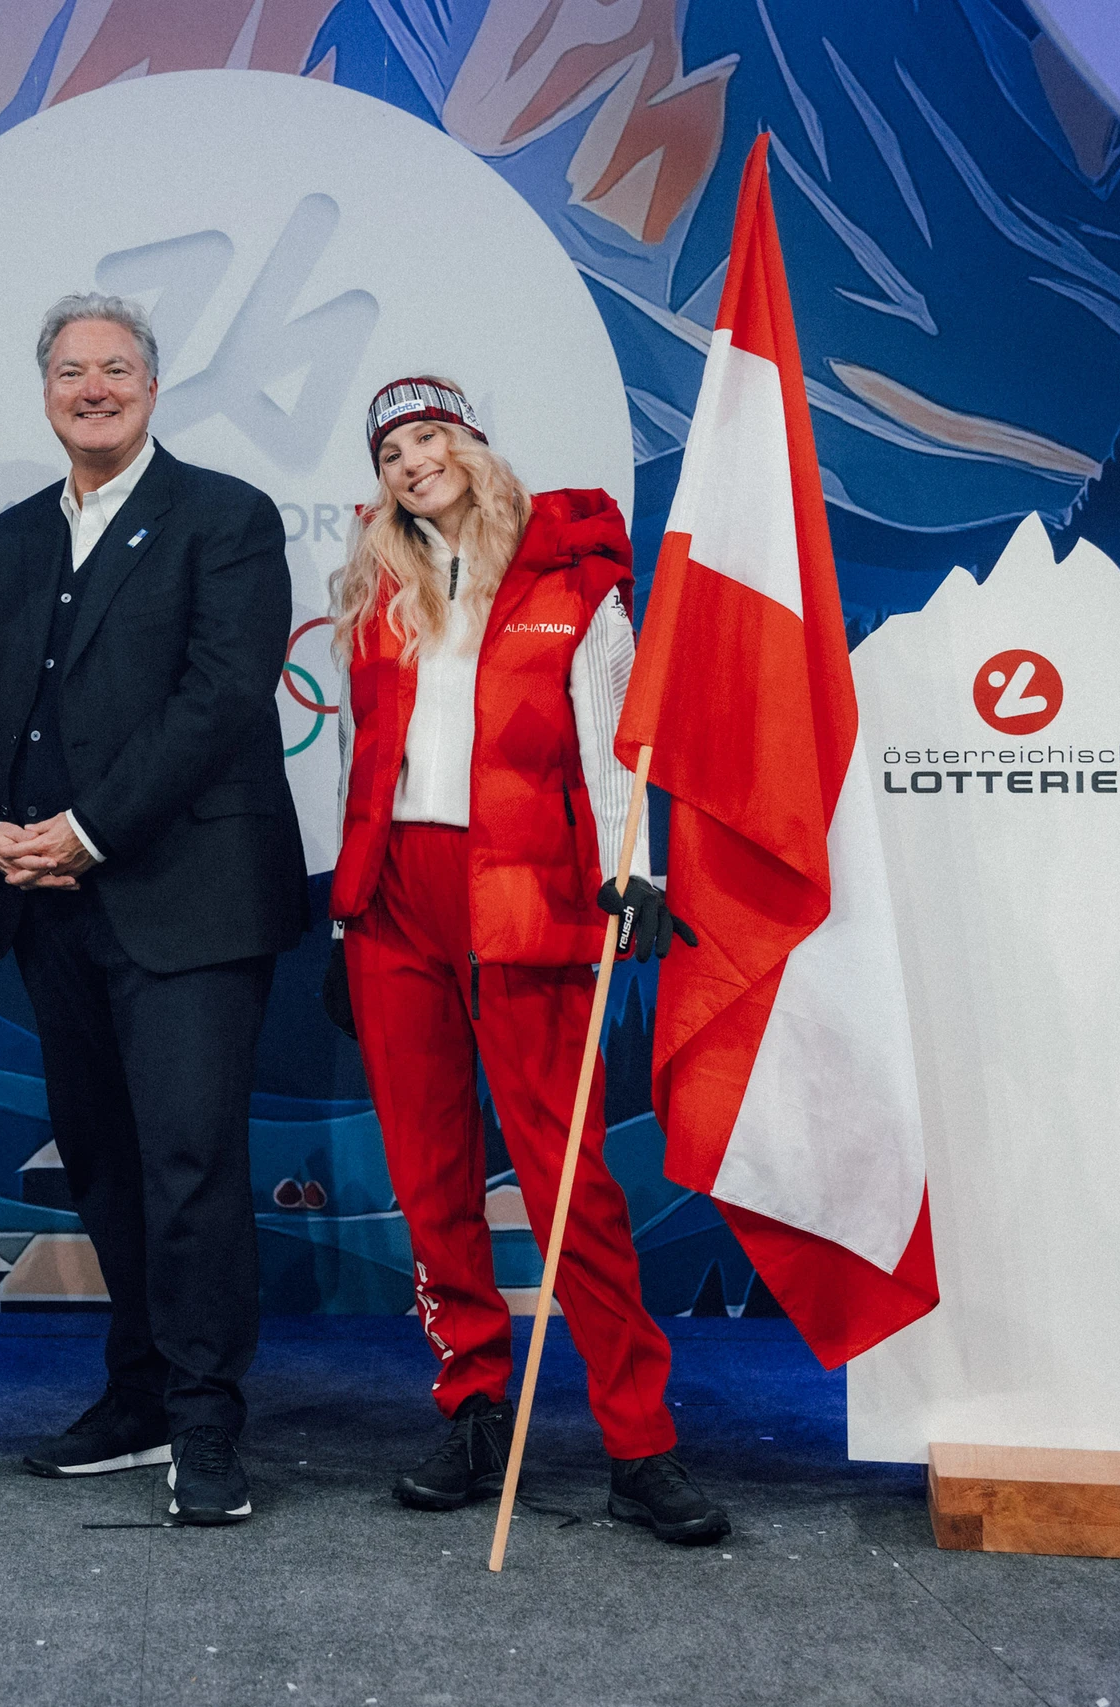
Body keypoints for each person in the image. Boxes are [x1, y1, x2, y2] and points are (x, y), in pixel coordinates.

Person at [322, 375, 729, 1546]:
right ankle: (472, 1411)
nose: (411, 461)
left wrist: (634, 867)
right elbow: (362, 765)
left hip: (528, 898)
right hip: (399, 904)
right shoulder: (377, 595)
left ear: (475, 448)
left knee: (567, 1186)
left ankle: (637, 1445)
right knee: (432, 1177)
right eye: (391, 449)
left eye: (430, 436)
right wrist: (348, 910)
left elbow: (616, 735)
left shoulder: (569, 579)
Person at [0, 293, 307, 1525]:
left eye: (117, 367)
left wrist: (86, 832)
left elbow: (218, 700)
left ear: (154, 385)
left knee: (188, 1163)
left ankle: (207, 1426)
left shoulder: (227, 520)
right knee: (103, 1165)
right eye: (71, 370)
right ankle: (137, 1398)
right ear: (45, 390)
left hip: (187, 900)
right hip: (45, 906)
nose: (93, 386)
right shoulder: (10, 536)